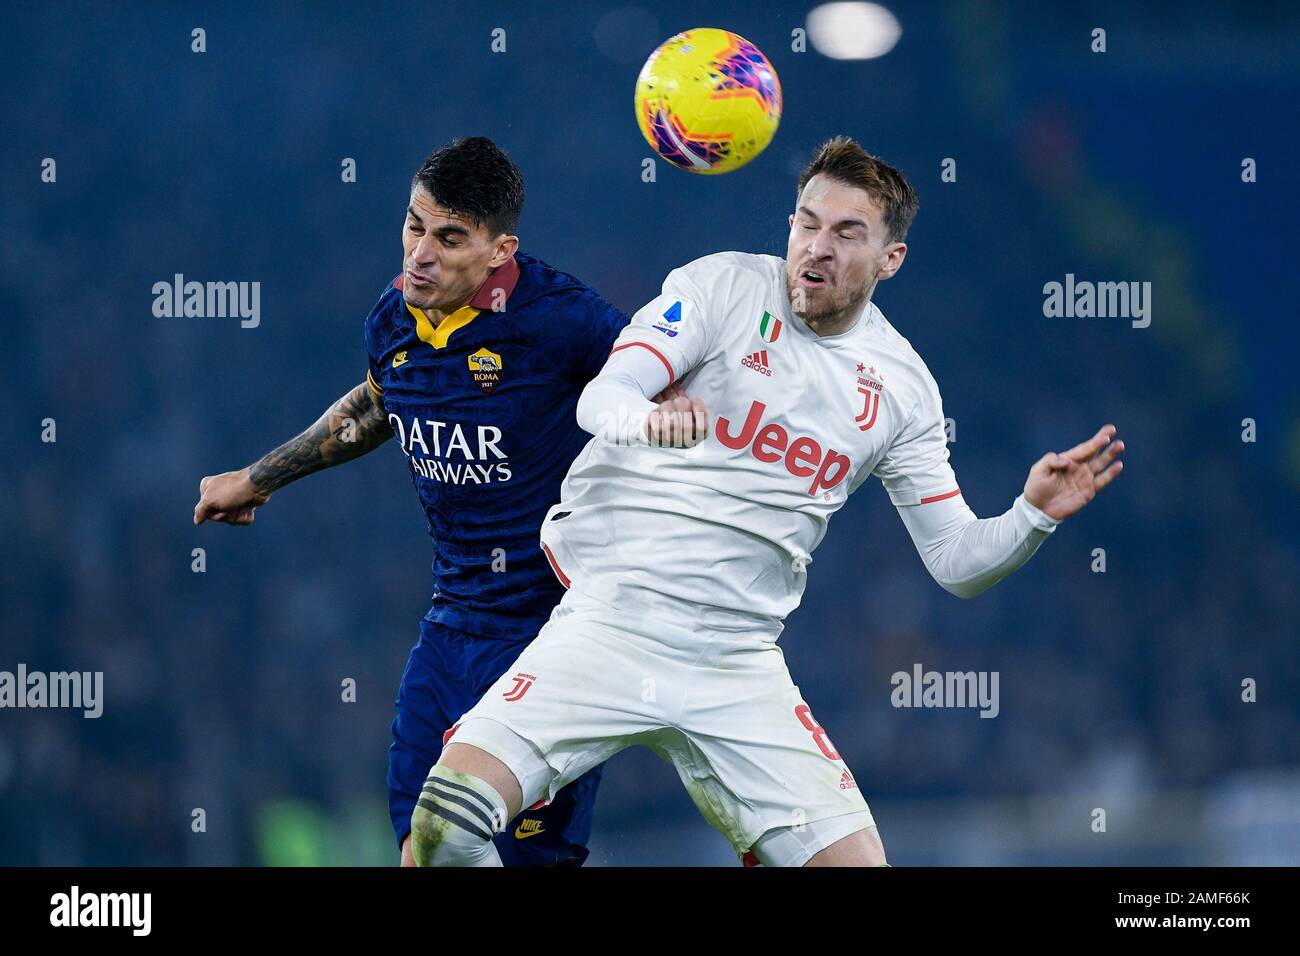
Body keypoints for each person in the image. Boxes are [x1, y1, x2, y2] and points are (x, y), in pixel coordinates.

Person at [411, 136, 1125, 867]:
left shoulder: (904, 389)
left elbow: (956, 561)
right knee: (442, 828)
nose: (817, 246)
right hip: (611, 622)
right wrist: (650, 420)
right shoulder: (720, 288)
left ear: (890, 259)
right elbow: (603, 397)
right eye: (807, 222)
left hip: (737, 664)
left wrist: (1032, 515)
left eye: (847, 233)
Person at [194, 136, 630, 866]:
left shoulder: (568, 323)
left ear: (500, 251)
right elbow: (374, 407)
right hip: (452, 624)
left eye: (449, 237)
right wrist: (258, 476)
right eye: (414, 225)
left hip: (556, 639)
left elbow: (663, 382)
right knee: (424, 849)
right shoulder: (393, 321)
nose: (420, 253)